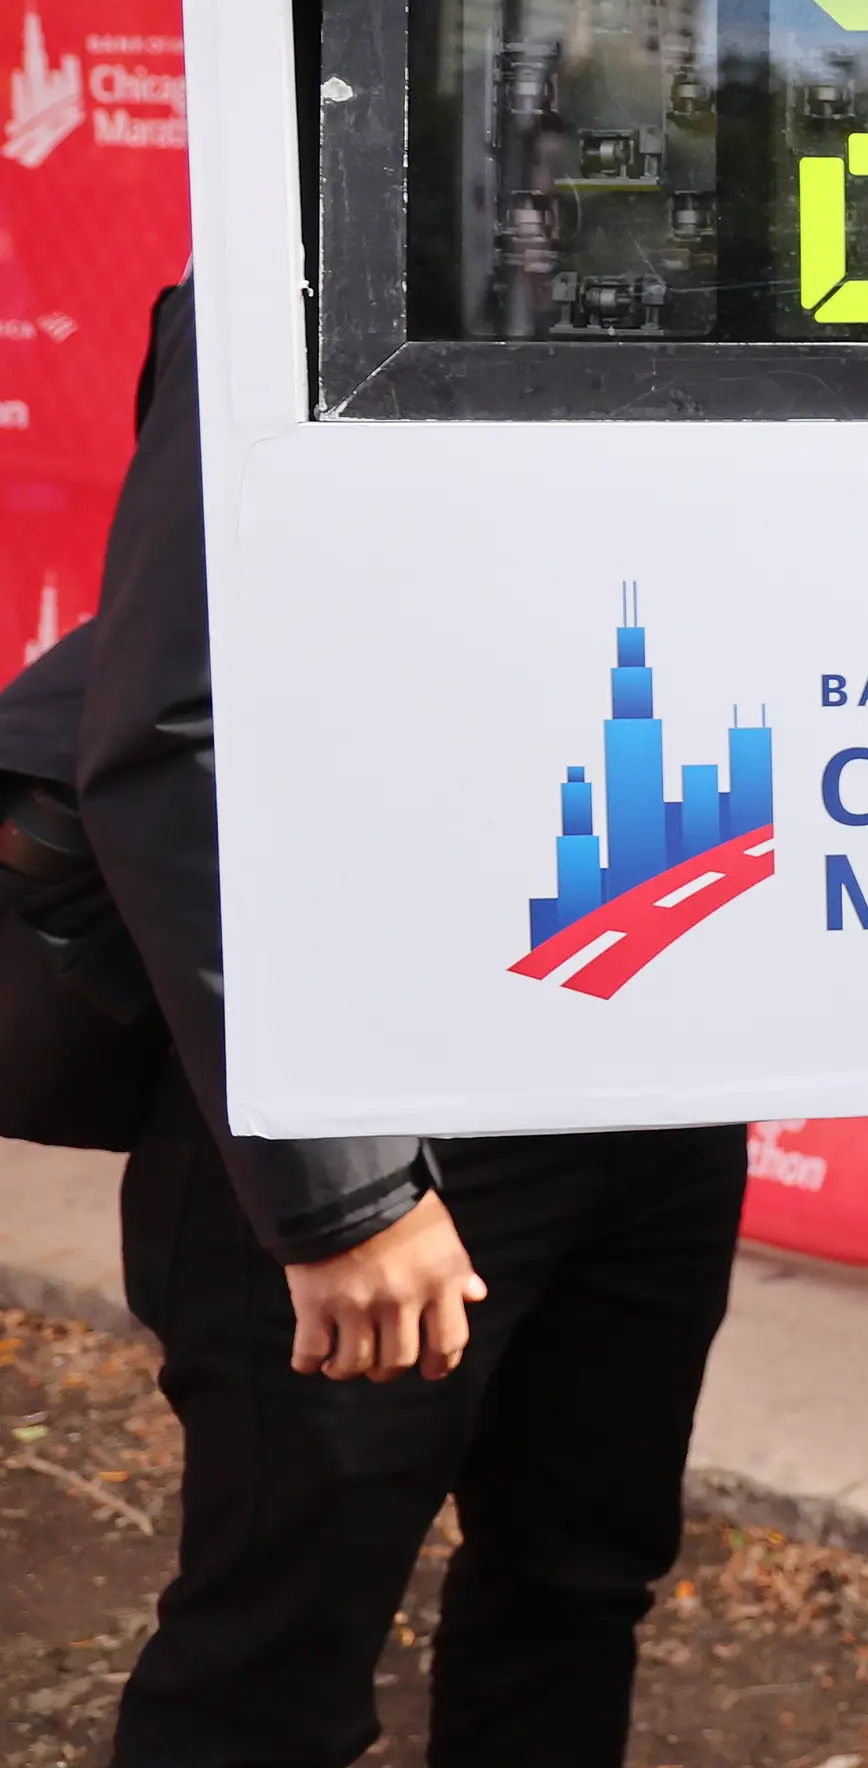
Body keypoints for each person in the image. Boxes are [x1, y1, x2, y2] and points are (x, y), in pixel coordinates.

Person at [8, 280, 751, 1767]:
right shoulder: (299, 266)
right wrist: (341, 1192)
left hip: (657, 1080)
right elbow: (175, 748)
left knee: (578, 1589)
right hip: (385, 1111)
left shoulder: (724, 277)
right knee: (273, 1668)